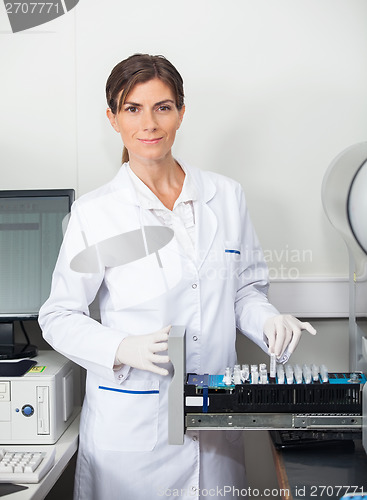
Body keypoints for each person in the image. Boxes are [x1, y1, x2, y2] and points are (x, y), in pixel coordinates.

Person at [39, 53, 316, 500]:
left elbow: (244, 289)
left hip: (215, 424)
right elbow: (58, 315)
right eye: (133, 108)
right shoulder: (96, 213)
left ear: (181, 113)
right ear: (112, 119)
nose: (148, 123)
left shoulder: (226, 196)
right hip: (133, 436)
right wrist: (120, 347)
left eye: (162, 107)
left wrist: (268, 320)